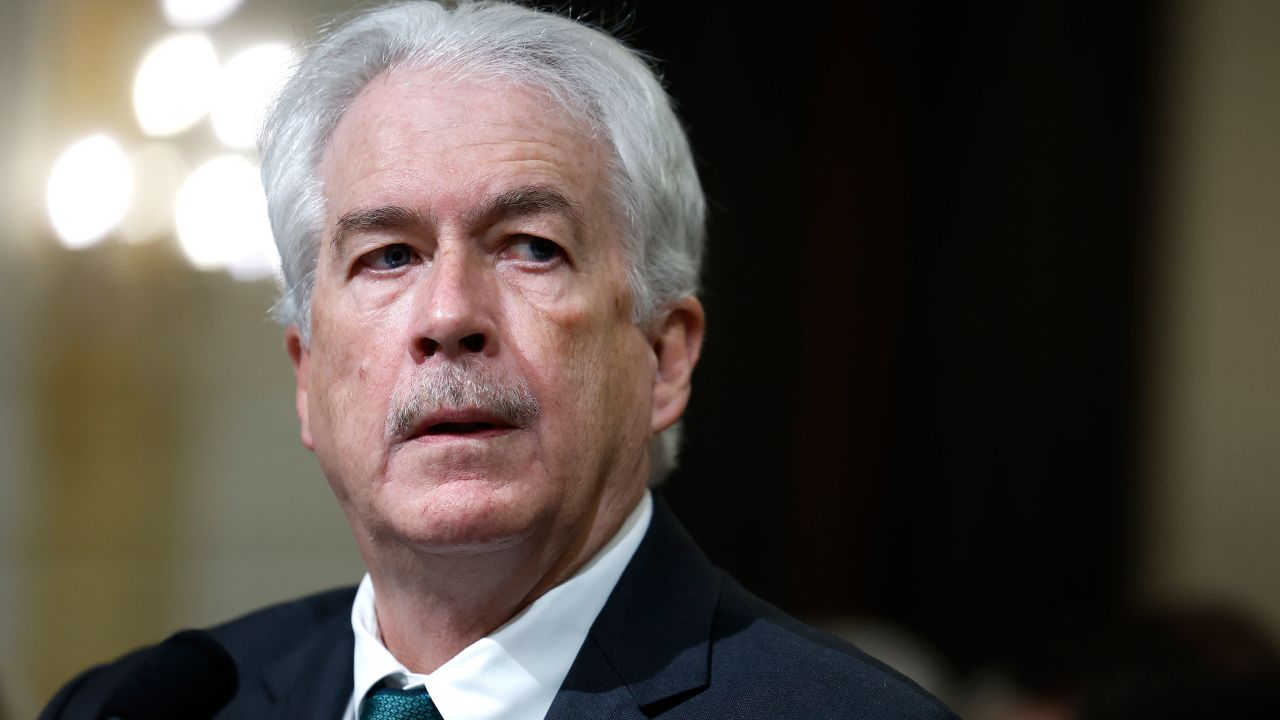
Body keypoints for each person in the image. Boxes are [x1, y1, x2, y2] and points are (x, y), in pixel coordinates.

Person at [41, 2, 955, 718]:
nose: (448, 315)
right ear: (307, 378)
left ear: (665, 360)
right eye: (388, 256)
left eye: (529, 246)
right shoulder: (156, 704)